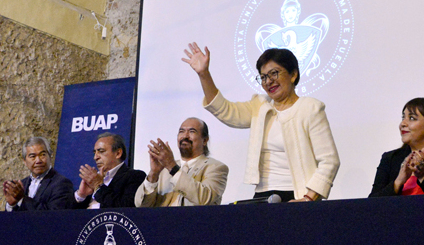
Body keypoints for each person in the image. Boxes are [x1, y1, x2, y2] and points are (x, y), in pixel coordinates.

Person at [182, 43, 340, 202]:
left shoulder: (309, 108)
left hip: (298, 196)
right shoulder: (260, 105)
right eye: (263, 77)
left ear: (293, 75)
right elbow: (224, 110)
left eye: (274, 73)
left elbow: (329, 161)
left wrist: (308, 199)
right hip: (263, 196)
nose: (268, 81)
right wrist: (204, 74)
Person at [135, 117, 229, 207]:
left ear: (205, 140)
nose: (185, 136)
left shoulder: (216, 167)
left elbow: (204, 199)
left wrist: (172, 167)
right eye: (181, 131)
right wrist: (153, 173)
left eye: (192, 131)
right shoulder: (164, 170)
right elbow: (141, 204)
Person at [74, 133, 146, 209]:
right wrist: (81, 195)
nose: (95, 157)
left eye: (101, 151)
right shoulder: (93, 179)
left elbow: (126, 209)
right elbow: (67, 216)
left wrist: (98, 186)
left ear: (118, 153)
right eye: (95, 153)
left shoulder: (135, 176)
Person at [3, 136, 73, 211]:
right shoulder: (22, 184)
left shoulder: (62, 183)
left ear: (50, 156)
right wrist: (11, 205)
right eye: (32, 156)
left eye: (42, 155)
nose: (38, 160)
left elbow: (54, 215)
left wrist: (22, 199)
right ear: (24, 161)